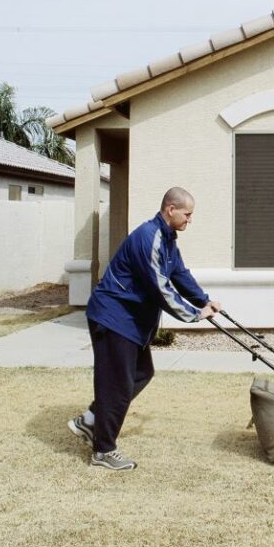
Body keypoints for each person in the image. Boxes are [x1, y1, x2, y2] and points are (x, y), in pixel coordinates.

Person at [68, 186, 220, 470]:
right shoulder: (148, 238)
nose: (190, 220)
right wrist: (193, 315)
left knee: (140, 373)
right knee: (119, 383)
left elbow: (178, 274)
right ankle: (103, 451)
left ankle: (91, 421)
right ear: (170, 209)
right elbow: (160, 288)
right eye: (187, 214)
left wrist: (205, 300)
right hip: (114, 318)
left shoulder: (167, 239)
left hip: (129, 321)